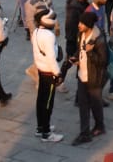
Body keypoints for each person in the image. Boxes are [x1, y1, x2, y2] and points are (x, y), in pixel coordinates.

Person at [72, 11, 109, 146]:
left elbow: (102, 61)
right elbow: (79, 50)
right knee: (83, 105)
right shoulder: (81, 34)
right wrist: (76, 58)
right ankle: (85, 133)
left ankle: (99, 126)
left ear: (89, 25)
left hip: (94, 77)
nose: (79, 25)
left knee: (95, 104)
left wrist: (90, 53)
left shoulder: (99, 39)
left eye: (82, 23)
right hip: (82, 75)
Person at [31, 8, 64, 143]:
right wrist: (58, 73)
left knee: (41, 100)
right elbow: (51, 58)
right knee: (48, 103)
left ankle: (40, 127)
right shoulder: (49, 36)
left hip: (41, 69)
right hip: (49, 72)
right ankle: (47, 133)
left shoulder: (36, 32)